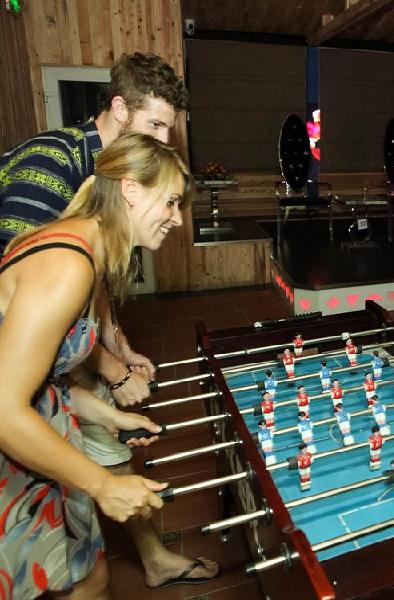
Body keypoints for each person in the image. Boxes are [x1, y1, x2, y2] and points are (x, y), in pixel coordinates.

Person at [0, 52, 218, 588]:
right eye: (171, 203)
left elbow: (47, 372)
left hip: (43, 409)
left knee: (90, 576)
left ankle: (153, 561)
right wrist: (100, 483)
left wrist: (106, 408)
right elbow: (6, 403)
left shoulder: (92, 247)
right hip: (13, 447)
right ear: (130, 188)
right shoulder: (66, 259)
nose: (176, 219)